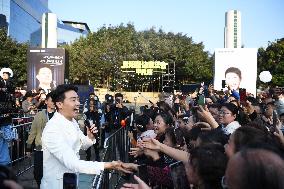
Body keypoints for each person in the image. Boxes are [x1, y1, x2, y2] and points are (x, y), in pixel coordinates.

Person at [40, 84, 132, 189]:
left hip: (71, 180)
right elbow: (74, 163)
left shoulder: (72, 121)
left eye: (78, 100)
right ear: (60, 104)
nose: (78, 103)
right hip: (56, 184)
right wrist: (109, 165)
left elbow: (83, 145)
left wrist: (90, 137)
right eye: (73, 100)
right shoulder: (53, 129)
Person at [25, 92, 55, 187]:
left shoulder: (60, 116)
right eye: (52, 100)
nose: (54, 102)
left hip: (54, 149)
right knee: (37, 172)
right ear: (46, 102)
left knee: (52, 173)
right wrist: (28, 147)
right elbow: (33, 131)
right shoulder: (39, 115)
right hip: (40, 148)